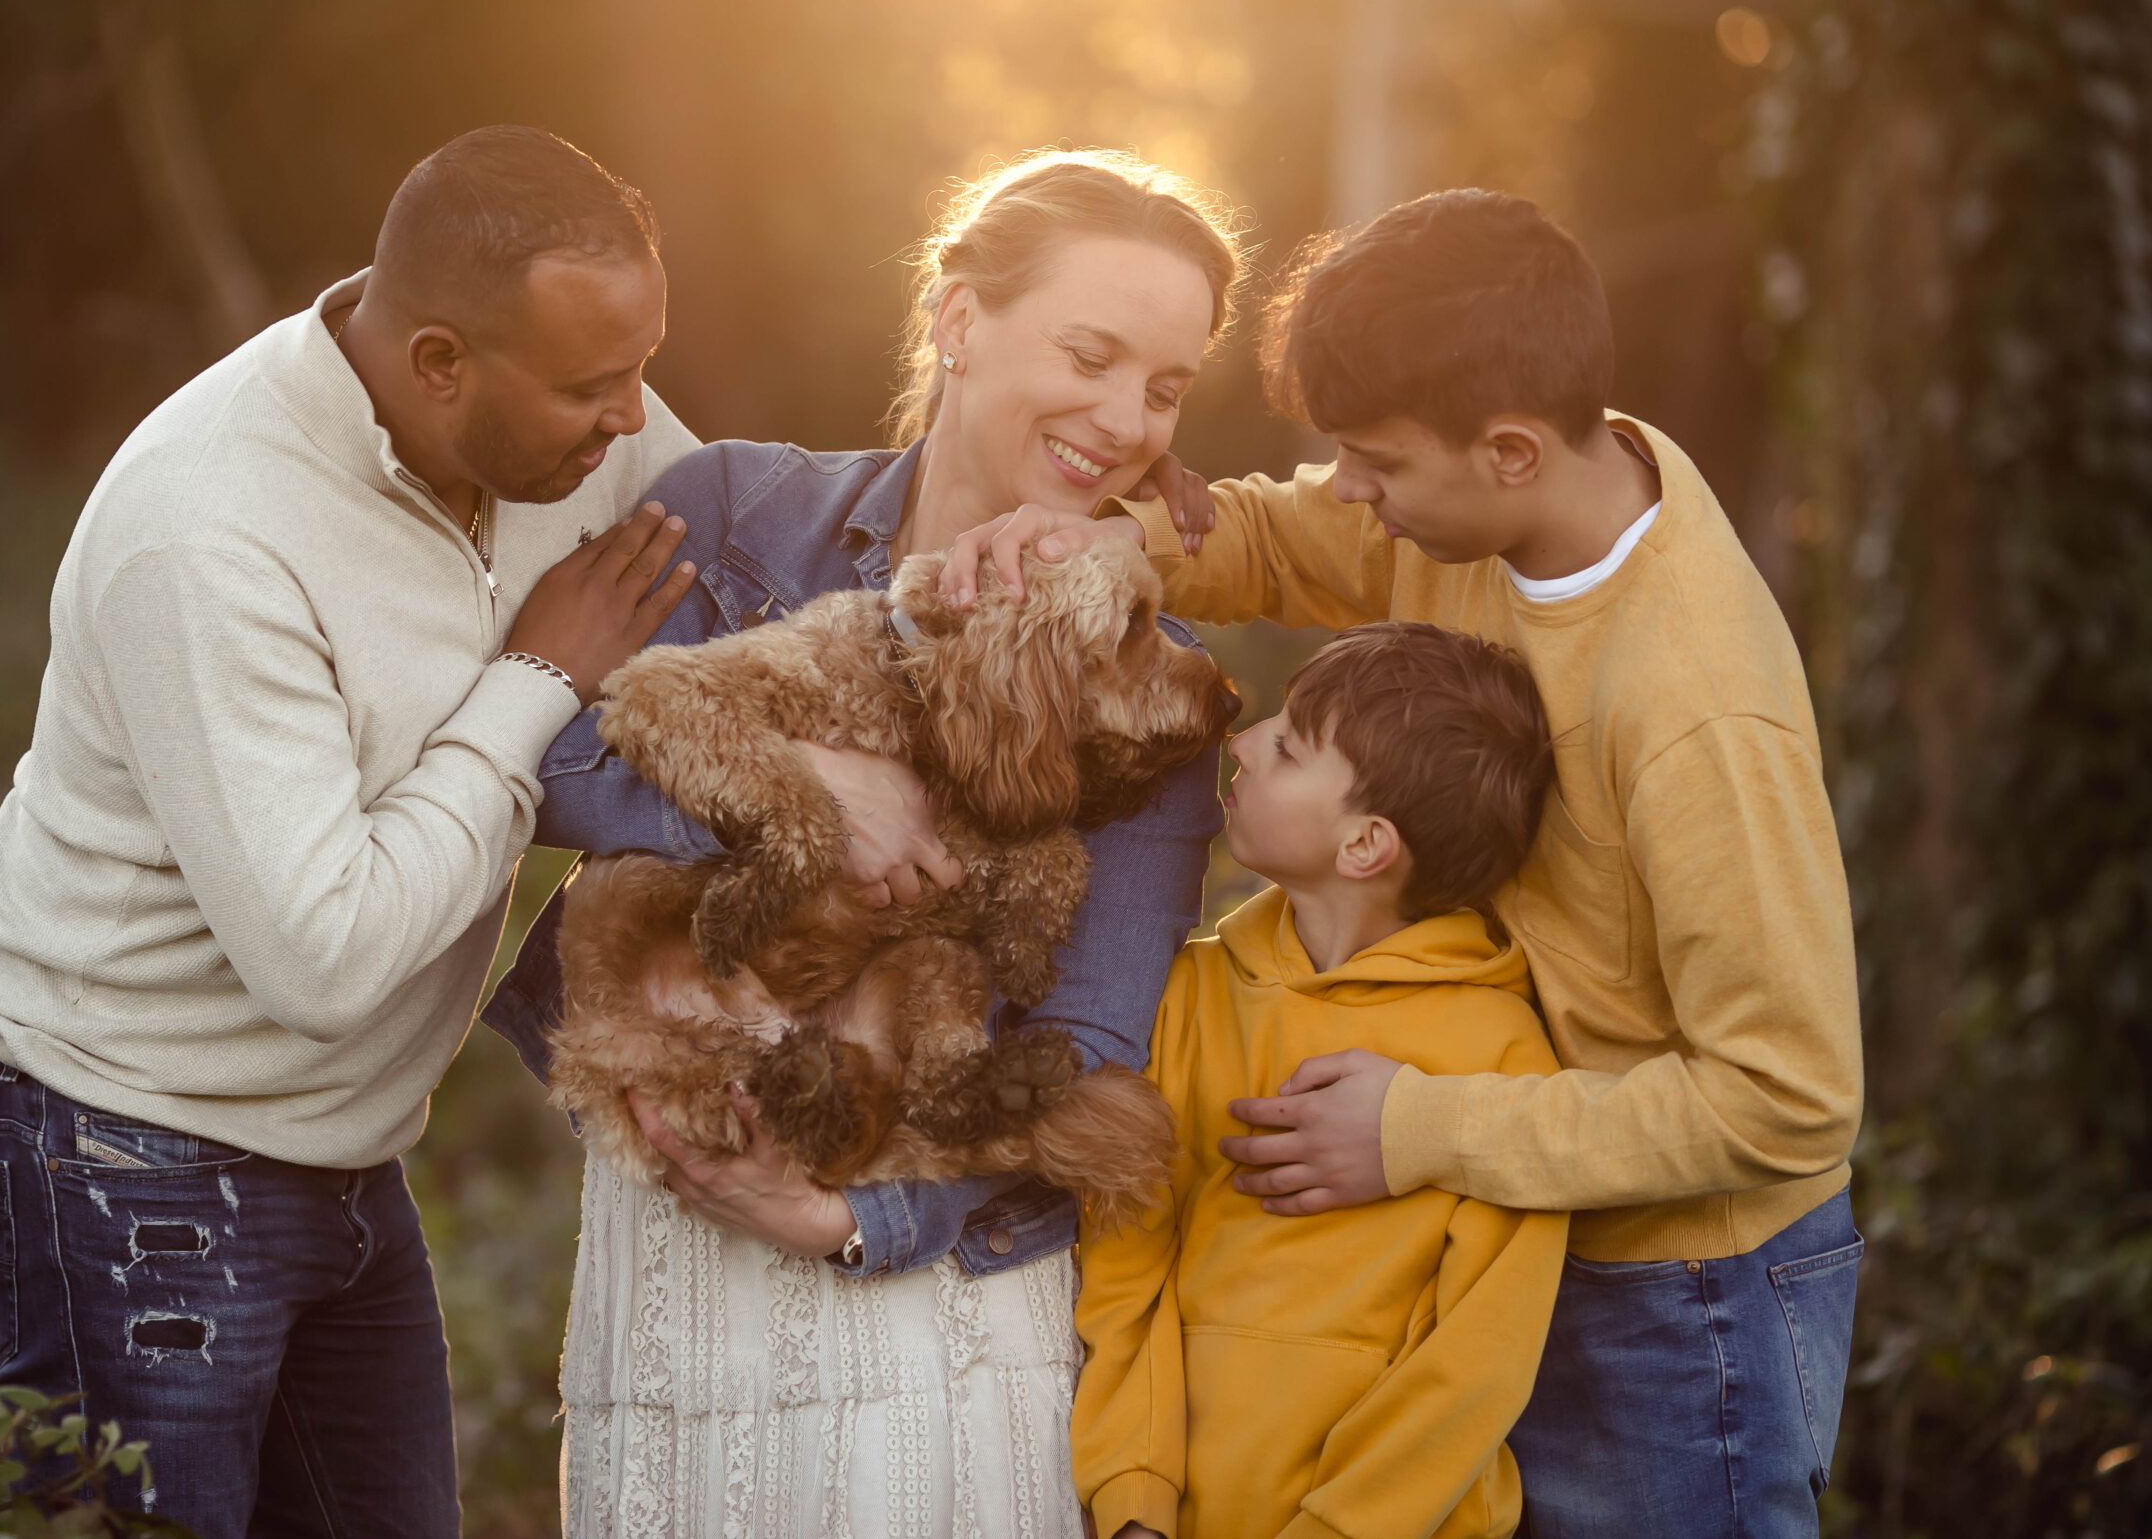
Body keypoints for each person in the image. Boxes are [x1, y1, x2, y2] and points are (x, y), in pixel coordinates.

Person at [951, 190, 1866, 1538]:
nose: (1352, 493)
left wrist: (1422, 1124)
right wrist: (1110, 545)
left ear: (1506, 450)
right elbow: (1275, 535)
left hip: (1678, 1291)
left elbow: (1788, 1098)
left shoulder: (1693, 703)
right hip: (1492, 1211)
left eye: (1374, 461)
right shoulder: (1500, 500)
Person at [0, 127, 703, 1537]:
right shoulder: (209, 527)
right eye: (595, 384)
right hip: (114, 1139)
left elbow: (773, 562)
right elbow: (326, 958)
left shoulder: (584, 430)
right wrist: (537, 676)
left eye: (644, 364)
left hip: (335, 1148)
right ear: (440, 363)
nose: (636, 420)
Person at [480, 150, 1241, 1537]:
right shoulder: (736, 515)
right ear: (957, 319)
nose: (1127, 417)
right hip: (671, 1263)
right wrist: (812, 789)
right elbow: (541, 756)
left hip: (926, 1298)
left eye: (1167, 385)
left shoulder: (1153, 687)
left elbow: (1089, 1040)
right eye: (1093, 352)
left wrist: (847, 1223)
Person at [1074, 621, 1568, 1539]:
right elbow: (1126, 1264)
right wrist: (1134, 1495)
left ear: (1366, 845)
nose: (1242, 738)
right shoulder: (1191, 995)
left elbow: (1478, 1360)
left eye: (1290, 744)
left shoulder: (1499, 1053)